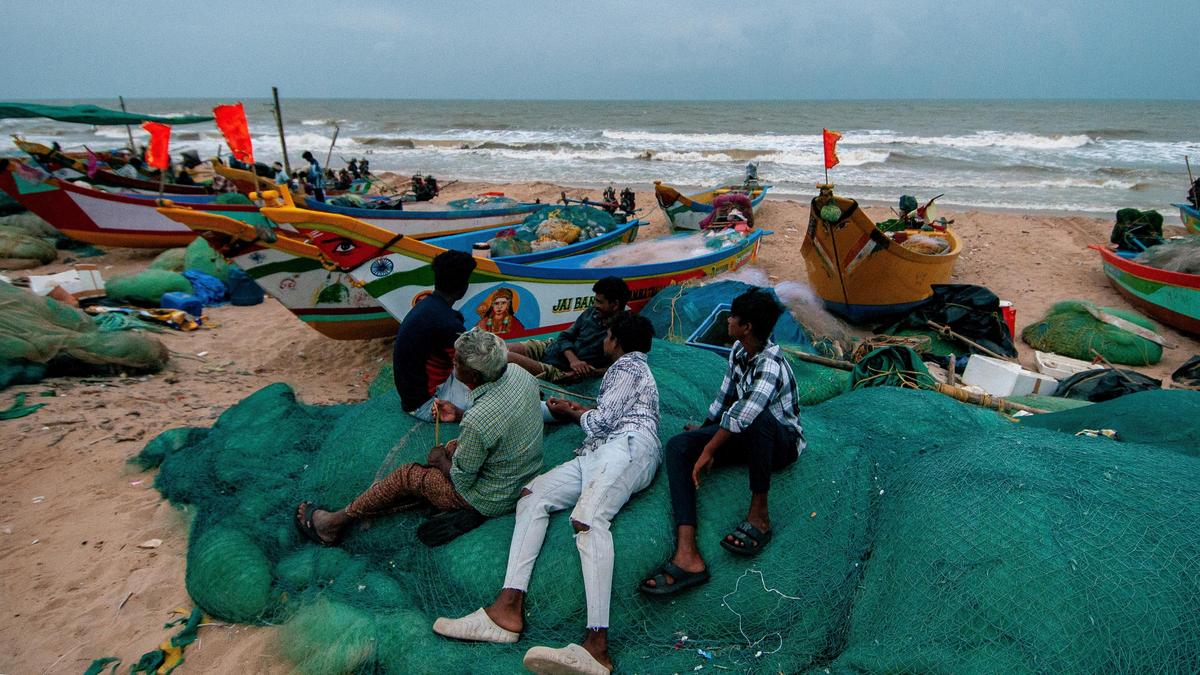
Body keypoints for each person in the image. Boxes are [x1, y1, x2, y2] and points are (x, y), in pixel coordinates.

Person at [433, 314, 659, 675]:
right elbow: (603, 418)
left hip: (626, 448)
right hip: (598, 453)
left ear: (615, 342)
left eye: (607, 335)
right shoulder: (625, 372)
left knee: (588, 520)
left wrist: (572, 414)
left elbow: (600, 423)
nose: (603, 340)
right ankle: (507, 609)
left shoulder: (627, 367)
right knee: (532, 495)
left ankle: (596, 647)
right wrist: (571, 411)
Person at [295, 328, 544, 548]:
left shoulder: (478, 420)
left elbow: (462, 478)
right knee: (452, 447)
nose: (452, 363)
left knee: (408, 475)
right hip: (524, 474)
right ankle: (423, 497)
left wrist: (439, 462)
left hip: (491, 498)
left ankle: (332, 523)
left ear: (475, 376)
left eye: (457, 362)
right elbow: (500, 421)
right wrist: (459, 414)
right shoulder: (516, 372)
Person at [639, 288, 804, 595]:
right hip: (746, 435)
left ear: (747, 327)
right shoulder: (739, 352)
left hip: (781, 444)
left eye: (733, 317)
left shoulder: (771, 364)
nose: (728, 321)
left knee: (760, 418)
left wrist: (710, 449)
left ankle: (759, 516)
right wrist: (702, 433)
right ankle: (687, 555)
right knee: (678, 445)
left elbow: (745, 413)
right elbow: (724, 399)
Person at [393, 250, 477, 422]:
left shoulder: (428, 307)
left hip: (412, 398)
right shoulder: (447, 323)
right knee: (498, 400)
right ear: (464, 288)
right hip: (428, 405)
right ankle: (546, 410)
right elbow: (472, 370)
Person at [507, 276, 630, 382]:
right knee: (499, 347)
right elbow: (564, 336)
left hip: (559, 370)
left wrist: (590, 372)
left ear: (615, 304)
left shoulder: (624, 329)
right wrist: (574, 360)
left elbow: (620, 366)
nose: (595, 305)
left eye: (599, 302)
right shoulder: (591, 313)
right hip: (552, 348)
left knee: (506, 357)